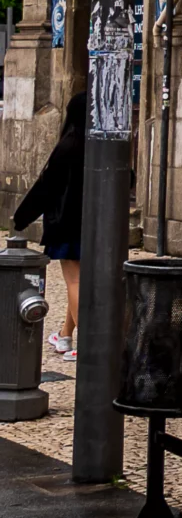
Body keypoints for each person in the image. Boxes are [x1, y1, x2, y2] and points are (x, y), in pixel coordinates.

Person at [13, 92, 85, 361]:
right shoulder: (105, 144)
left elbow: (46, 187)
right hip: (97, 224)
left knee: (75, 281)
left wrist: (22, 217)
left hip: (68, 224)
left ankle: (86, 345)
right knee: (79, 282)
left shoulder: (69, 145)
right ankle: (65, 335)